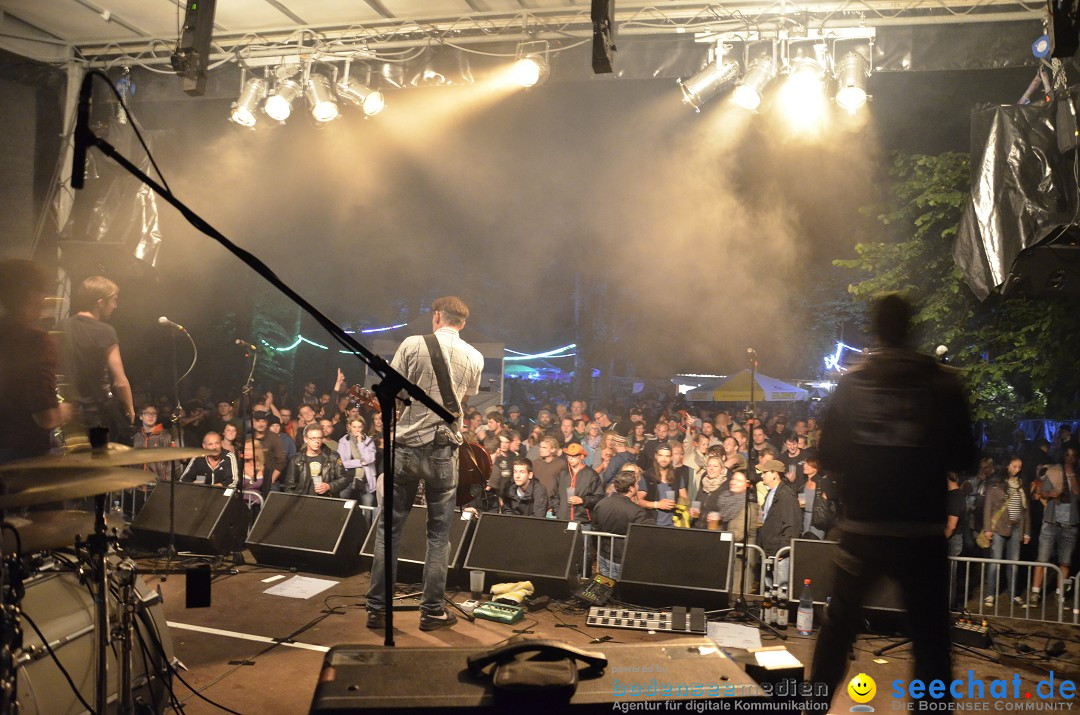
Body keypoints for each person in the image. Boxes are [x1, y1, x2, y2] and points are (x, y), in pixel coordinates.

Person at [809, 293, 978, 710]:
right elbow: (966, 457)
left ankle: (811, 706)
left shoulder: (853, 382)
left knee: (837, 629)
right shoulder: (942, 383)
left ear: (876, 329)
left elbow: (828, 454)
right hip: (921, 534)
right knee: (931, 638)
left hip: (863, 530)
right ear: (911, 328)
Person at [366, 296, 483, 633]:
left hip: (406, 448)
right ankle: (432, 612)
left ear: (436, 317)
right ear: (461, 323)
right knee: (438, 536)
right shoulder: (474, 356)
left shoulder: (413, 344)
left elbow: (391, 389)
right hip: (444, 452)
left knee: (389, 530)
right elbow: (465, 396)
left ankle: (377, 610)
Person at [0, 259, 69, 463]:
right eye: (42, 291)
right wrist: (65, 411)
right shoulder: (36, 341)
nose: (45, 297)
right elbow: (45, 416)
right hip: (22, 460)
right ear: (31, 294)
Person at [58, 275, 135, 440]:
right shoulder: (105, 331)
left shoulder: (63, 326)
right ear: (100, 303)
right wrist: (130, 408)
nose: (115, 306)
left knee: (76, 461)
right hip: (97, 412)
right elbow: (120, 381)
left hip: (69, 411)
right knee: (99, 459)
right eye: (113, 300)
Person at [982, 455, 1030, 607]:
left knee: (1013, 563)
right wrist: (988, 528)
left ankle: (1013, 593)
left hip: (1016, 527)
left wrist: (1027, 531)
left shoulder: (1021, 485)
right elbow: (988, 506)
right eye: (1015, 466)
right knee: (995, 562)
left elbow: (1026, 510)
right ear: (1008, 466)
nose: (1017, 469)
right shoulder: (996, 483)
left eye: (1019, 467)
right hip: (999, 527)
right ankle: (990, 594)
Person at [592, 469, 651, 579]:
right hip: (621, 560)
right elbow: (646, 534)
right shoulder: (635, 511)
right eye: (637, 484)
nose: (638, 486)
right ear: (631, 488)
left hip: (603, 555)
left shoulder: (601, 504)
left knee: (605, 590)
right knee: (620, 592)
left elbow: (595, 529)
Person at [283, 424, 350, 497]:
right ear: (305, 439)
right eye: (313, 438)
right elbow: (289, 486)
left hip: (326, 500)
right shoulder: (296, 459)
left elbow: (344, 479)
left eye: (319, 438)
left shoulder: (333, 456)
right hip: (303, 502)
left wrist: (329, 486)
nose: (317, 441)